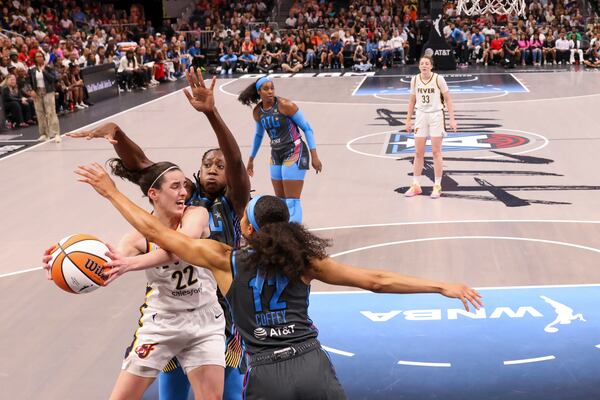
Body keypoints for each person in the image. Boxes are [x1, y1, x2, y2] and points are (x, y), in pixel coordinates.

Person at [74, 170, 483, 399]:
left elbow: (159, 233)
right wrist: (440, 286)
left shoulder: (224, 259)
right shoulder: (305, 262)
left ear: (246, 226)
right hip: (311, 364)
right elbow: (376, 280)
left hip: (268, 374)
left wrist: (111, 192)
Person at [67, 68, 251, 400]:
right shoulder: (183, 199)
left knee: (229, 393)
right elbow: (144, 168)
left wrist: (212, 114)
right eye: (208, 163)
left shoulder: (232, 202)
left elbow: (236, 161)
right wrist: (118, 135)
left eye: (220, 166)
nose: (214, 167)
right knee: (173, 391)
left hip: (221, 312)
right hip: (170, 309)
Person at [45, 161, 226, 400]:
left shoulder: (196, 215)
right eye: (175, 186)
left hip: (205, 319)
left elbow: (182, 246)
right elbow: (105, 267)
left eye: (184, 185)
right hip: (162, 323)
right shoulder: (135, 240)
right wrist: (63, 267)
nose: (184, 192)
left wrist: (132, 264)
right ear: (154, 194)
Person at [238, 76, 322, 223]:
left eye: (272, 88)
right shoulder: (258, 112)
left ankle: (295, 236)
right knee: (281, 202)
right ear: (259, 92)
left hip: (294, 151)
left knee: (292, 201)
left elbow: (307, 129)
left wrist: (314, 156)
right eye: (266, 89)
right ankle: (284, 233)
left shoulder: (285, 105)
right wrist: (251, 159)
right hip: (276, 153)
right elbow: (258, 135)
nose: (270, 92)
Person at [404, 56, 457, 199]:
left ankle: (437, 185)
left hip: (436, 116)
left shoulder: (438, 79)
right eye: (422, 63)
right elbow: (411, 101)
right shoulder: (415, 80)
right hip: (420, 116)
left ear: (431, 66)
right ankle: (416, 185)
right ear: (419, 66)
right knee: (418, 152)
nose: (424, 65)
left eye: (427, 63)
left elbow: (448, 99)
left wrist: (452, 119)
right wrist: (408, 119)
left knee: (436, 152)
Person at [28, 51, 61, 142]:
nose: (39, 58)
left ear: (43, 57)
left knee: (51, 112)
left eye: (40, 56)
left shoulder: (49, 68)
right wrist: (31, 90)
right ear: (35, 58)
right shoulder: (32, 69)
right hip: (37, 92)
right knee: (40, 114)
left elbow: (54, 79)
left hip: (48, 91)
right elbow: (29, 81)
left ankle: (55, 133)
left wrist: (44, 71)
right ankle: (44, 134)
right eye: (37, 57)